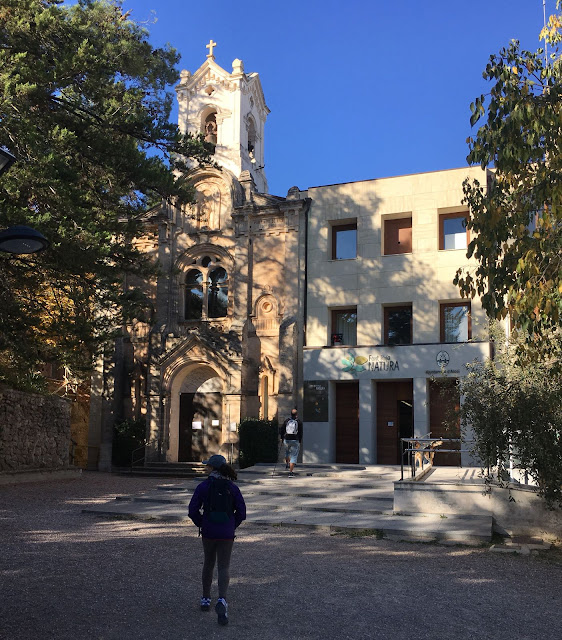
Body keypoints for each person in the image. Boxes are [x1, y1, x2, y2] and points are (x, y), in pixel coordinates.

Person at [188, 454, 246, 626]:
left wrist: (202, 523)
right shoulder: (232, 487)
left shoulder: (204, 486)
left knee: (208, 563)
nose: (206, 468)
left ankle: (206, 597)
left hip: (209, 530)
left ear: (213, 468)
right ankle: (222, 599)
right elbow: (242, 512)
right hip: (226, 532)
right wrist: (231, 525)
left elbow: (192, 510)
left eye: (208, 466)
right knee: (224, 566)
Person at [279, 408, 303, 477]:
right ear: (296, 414)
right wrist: (300, 440)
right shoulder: (299, 422)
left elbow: (282, 429)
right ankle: (291, 472)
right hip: (295, 440)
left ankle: (287, 464)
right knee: (294, 456)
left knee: (287, 452)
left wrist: (282, 438)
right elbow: (300, 432)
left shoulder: (287, 421)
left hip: (287, 439)